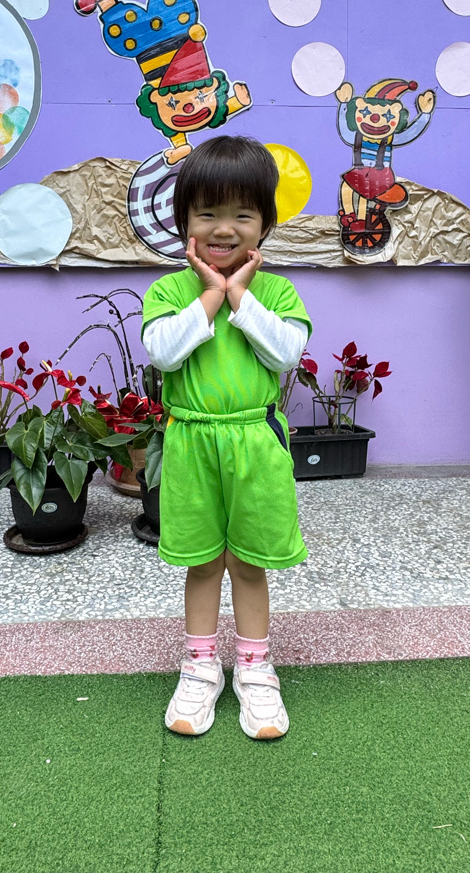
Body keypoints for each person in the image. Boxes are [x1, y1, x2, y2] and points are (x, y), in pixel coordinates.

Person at [140, 135, 312, 739]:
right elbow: (163, 354)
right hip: (191, 442)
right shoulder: (169, 292)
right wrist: (211, 292)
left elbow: (285, 354)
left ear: (265, 224)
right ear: (184, 221)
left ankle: (256, 671)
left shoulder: (277, 292)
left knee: (249, 561)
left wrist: (239, 292)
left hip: (255, 444)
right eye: (207, 212)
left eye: (242, 214)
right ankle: (200, 666)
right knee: (203, 560)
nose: (223, 228)